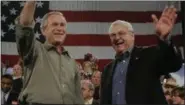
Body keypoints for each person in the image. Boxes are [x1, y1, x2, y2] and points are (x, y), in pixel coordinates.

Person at [100, 6, 182, 104]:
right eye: (113, 35)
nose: (117, 37)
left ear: (132, 36)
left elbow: (174, 64)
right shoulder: (107, 70)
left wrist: (165, 39)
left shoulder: (148, 55)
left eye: (121, 33)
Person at [15, 1, 83, 104]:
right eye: (55, 24)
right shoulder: (34, 50)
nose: (60, 29)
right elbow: (25, 26)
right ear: (43, 30)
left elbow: (78, 98)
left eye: (62, 25)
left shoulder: (72, 62)